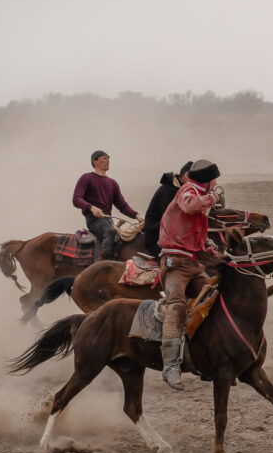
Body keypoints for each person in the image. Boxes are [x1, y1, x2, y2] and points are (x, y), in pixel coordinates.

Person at [157, 159, 223, 390]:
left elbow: (196, 232)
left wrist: (208, 246)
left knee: (212, 300)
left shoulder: (197, 195)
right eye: (214, 179)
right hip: (175, 263)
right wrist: (212, 198)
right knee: (176, 305)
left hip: (192, 263)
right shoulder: (188, 191)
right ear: (207, 180)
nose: (216, 184)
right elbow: (188, 207)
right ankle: (170, 366)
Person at [71, 150, 143, 260]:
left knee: (121, 238)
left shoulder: (112, 183)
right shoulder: (86, 178)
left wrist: (136, 215)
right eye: (104, 158)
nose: (108, 160)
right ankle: (105, 265)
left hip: (108, 219)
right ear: (95, 162)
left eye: (108, 158)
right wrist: (91, 207)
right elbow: (76, 199)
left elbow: (122, 205)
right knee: (110, 232)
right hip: (94, 219)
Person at [143, 160, 193, 259]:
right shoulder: (168, 191)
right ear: (187, 175)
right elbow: (170, 220)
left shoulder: (181, 190)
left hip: (168, 233)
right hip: (156, 236)